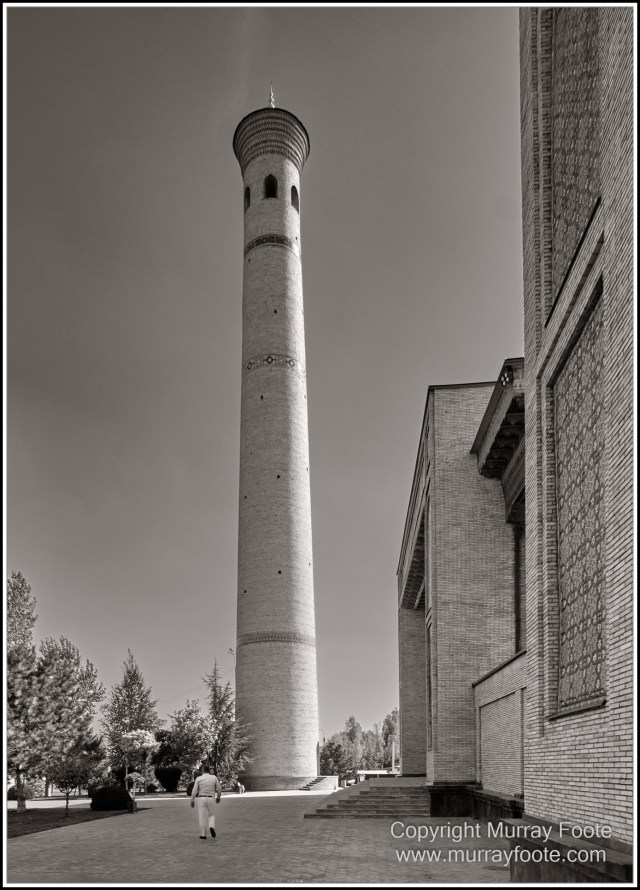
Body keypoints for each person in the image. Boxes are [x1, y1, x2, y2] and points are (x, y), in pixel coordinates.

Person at [190, 763, 222, 839]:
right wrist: (218, 797)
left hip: (201, 798)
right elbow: (219, 788)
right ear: (209, 771)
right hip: (211, 798)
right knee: (211, 814)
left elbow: (194, 790)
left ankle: (203, 835)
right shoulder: (214, 778)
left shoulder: (199, 779)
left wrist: (192, 800)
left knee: (202, 816)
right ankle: (211, 826)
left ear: (203, 770)